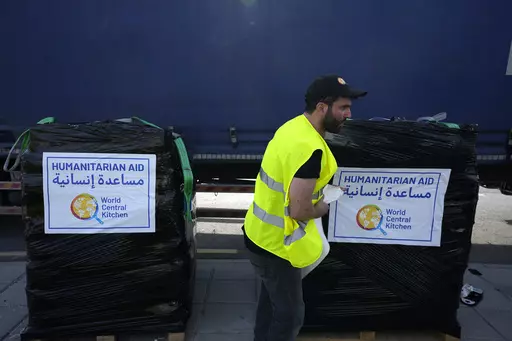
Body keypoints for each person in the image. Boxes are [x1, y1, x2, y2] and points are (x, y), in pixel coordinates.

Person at [242, 75, 367, 341]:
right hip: (276, 247)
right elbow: (299, 211)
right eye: (343, 108)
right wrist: (325, 204)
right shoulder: (310, 150)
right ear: (323, 107)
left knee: (271, 305)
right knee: (289, 316)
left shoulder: (293, 127)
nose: (349, 114)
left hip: (260, 234)